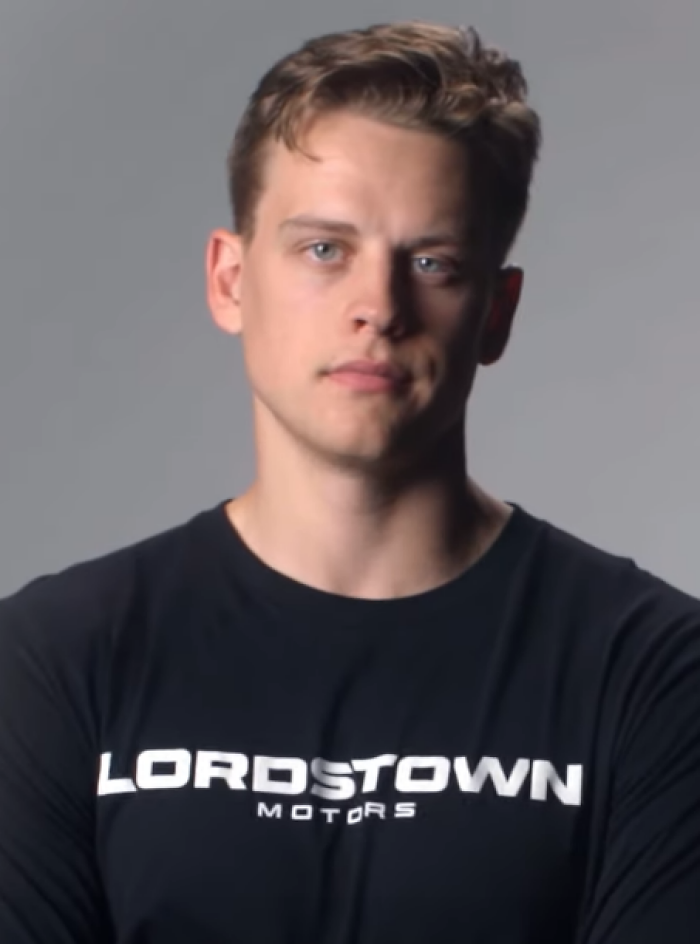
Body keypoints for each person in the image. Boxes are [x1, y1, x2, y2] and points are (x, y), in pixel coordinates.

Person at [1, 19, 699, 944]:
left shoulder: (652, 671)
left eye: (432, 262)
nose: (379, 306)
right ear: (230, 279)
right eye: (324, 249)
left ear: (496, 312)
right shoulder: (52, 660)